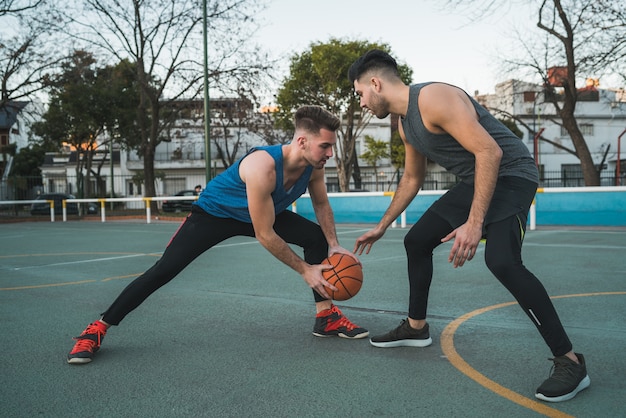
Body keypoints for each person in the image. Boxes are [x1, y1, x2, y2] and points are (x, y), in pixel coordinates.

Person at [348, 50, 589, 403]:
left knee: (503, 261)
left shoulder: (433, 98)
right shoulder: (404, 124)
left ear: (375, 83)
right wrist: (383, 225)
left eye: (359, 94)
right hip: (475, 180)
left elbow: (490, 153)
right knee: (416, 241)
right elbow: (412, 178)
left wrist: (475, 224)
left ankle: (569, 362)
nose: (361, 103)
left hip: (512, 174)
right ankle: (416, 328)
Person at [67, 105, 368, 365]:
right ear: (302, 141)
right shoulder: (262, 166)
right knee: (164, 270)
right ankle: (97, 328)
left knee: (315, 237)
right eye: (325, 146)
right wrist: (306, 271)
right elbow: (265, 234)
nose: (330, 153)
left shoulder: (313, 166)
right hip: (215, 214)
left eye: (331, 147)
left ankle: (325, 316)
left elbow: (320, 202)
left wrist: (333, 245)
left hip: (259, 213)